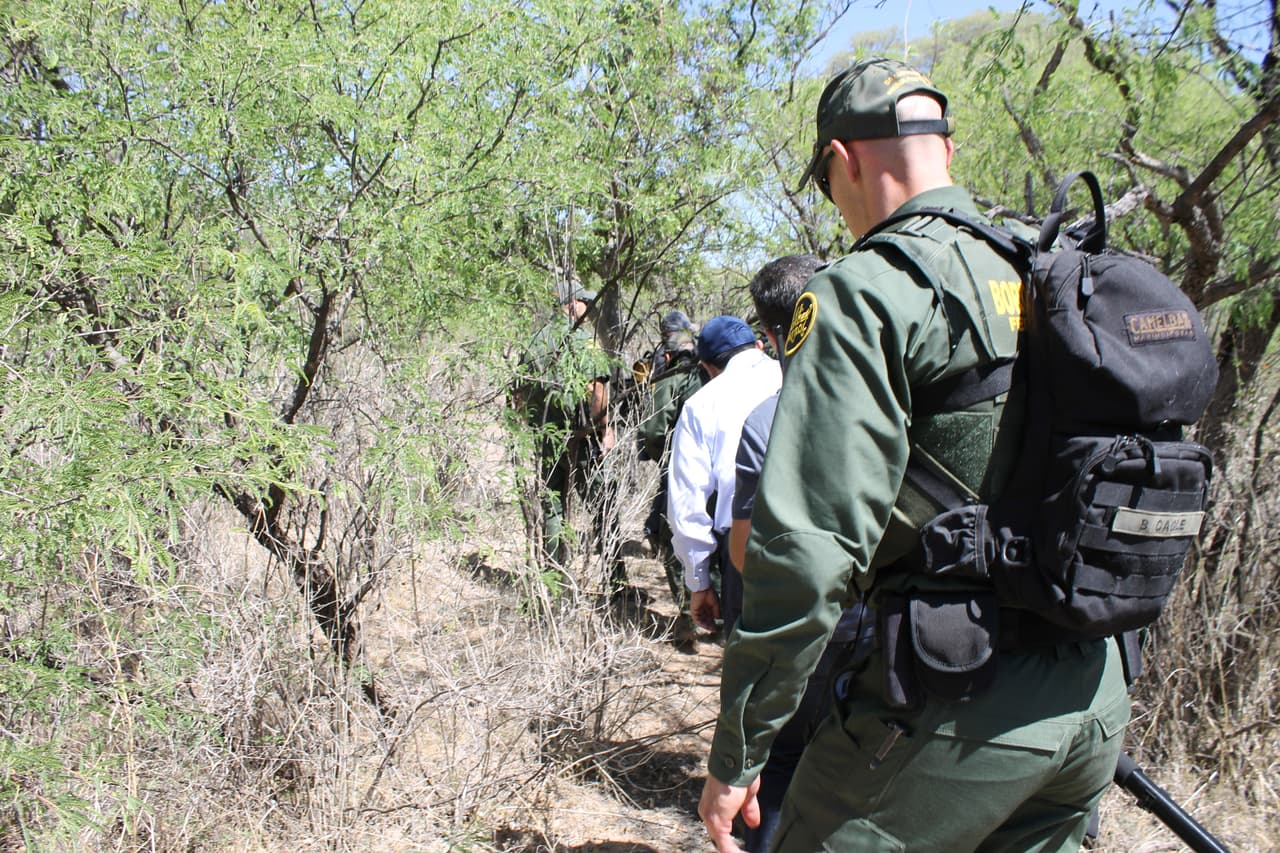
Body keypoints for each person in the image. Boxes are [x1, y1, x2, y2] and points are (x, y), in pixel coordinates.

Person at [699, 58, 1129, 852]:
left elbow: (805, 552)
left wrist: (740, 749)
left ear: (843, 160)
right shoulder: (1045, 269)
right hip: (1092, 692)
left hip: (955, 700)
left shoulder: (860, 293)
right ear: (947, 153)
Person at [667, 316, 780, 637]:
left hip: (745, 547)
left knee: (752, 668)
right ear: (760, 345)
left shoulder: (702, 403)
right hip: (817, 539)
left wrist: (699, 582)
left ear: (707, 367)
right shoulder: (801, 374)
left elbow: (687, 503)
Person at [514, 285, 623, 591]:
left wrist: (533, 427)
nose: (588, 308)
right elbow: (597, 391)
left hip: (546, 439)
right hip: (581, 439)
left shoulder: (535, 341)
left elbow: (519, 395)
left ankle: (553, 584)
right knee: (603, 503)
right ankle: (616, 579)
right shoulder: (581, 340)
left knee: (553, 507)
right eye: (584, 302)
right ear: (571, 303)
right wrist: (604, 429)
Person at [637, 310, 708, 646]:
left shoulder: (674, 371)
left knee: (668, 535)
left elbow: (653, 429)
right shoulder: (712, 367)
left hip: (682, 469)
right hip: (723, 469)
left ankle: (688, 616)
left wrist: (658, 454)